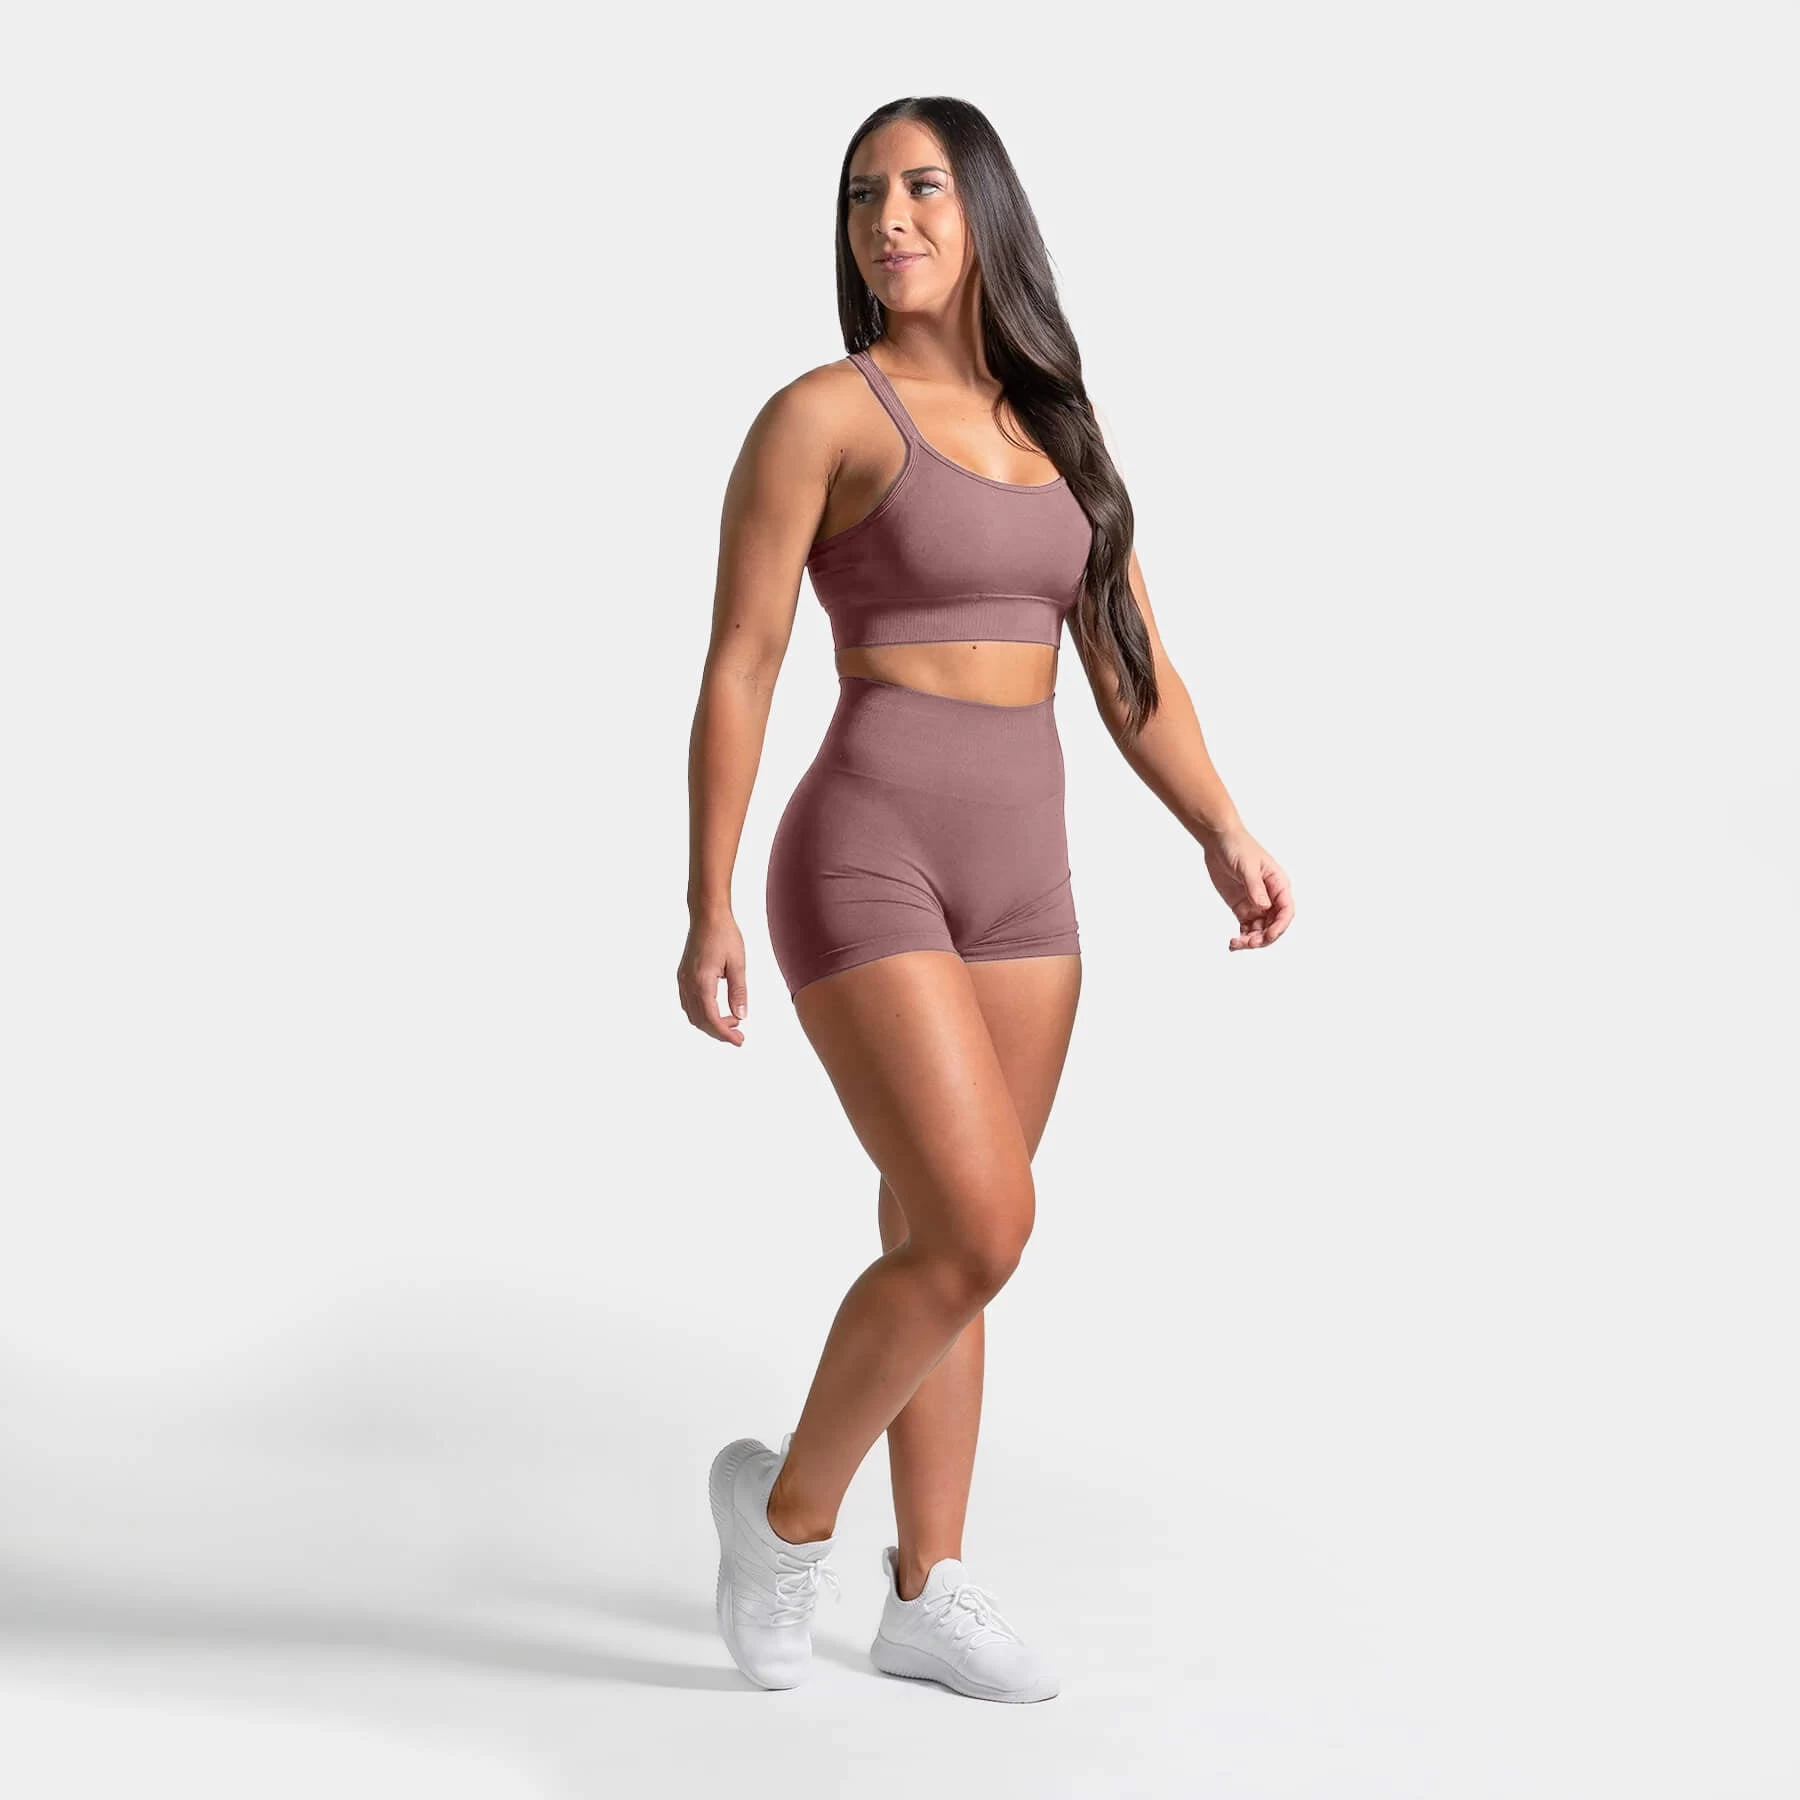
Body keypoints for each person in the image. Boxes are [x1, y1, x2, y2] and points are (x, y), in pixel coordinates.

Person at [677, 95, 1295, 1703]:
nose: (888, 219)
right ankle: (784, 1515)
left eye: (923, 187)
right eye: (861, 195)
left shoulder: (1062, 431)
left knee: (950, 1239)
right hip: (864, 849)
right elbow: (742, 660)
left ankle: (927, 1587)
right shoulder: (825, 414)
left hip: (1028, 879)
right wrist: (708, 898)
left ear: (987, 211)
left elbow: (1132, 665)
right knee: (980, 1218)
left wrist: (1220, 825)